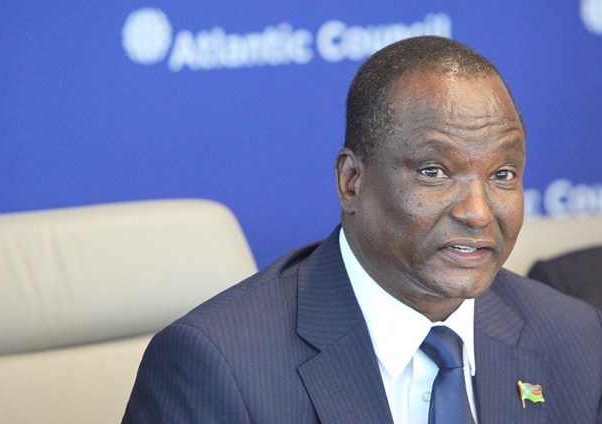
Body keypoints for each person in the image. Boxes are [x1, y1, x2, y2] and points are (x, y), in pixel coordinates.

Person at [122, 36, 602, 423]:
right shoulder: (218, 366)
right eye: (434, 171)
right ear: (351, 182)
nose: (478, 213)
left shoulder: (574, 336)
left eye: (502, 174)